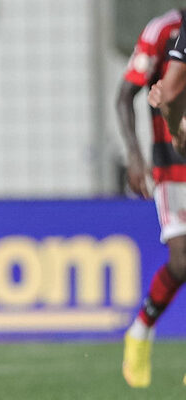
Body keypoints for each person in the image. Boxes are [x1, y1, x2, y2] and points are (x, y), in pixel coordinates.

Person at [120, 9, 186, 388]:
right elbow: (125, 94)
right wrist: (134, 155)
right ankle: (141, 331)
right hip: (172, 162)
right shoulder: (164, 31)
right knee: (181, 261)